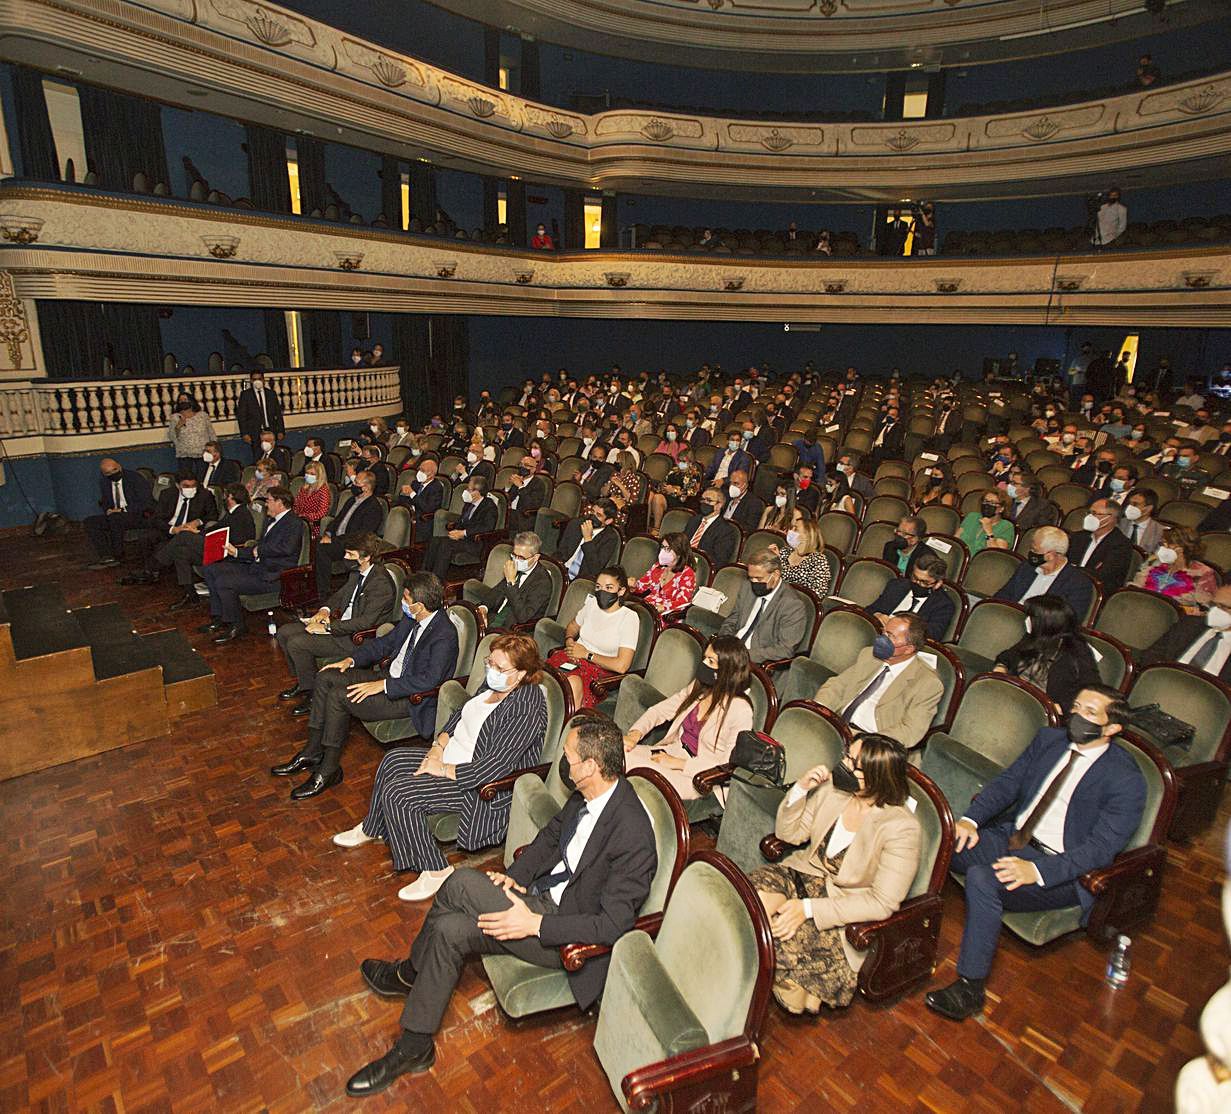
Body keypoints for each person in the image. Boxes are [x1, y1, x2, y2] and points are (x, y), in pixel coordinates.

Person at [342, 715, 655, 1096]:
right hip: (538, 899)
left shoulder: (633, 833)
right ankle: (415, 1045)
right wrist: (518, 875)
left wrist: (534, 925)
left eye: (569, 756)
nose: (563, 760)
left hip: (562, 934)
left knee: (459, 882)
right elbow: (552, 836)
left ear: (591, 766)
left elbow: (612, 925)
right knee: (448, 930)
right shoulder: (586, 796)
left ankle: (410, 973)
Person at [924, 686, 1145, 1022]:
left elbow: (1099, 851)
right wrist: (970, 820)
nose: (1078, 717)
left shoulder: (1126, 779)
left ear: (1112, 728)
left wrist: (1037, 872)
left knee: (985, 879)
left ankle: (970, 987)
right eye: (1076, 707)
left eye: (1090, 713)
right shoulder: (1049, 740)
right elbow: (1008, 783)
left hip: (1060, 867)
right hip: (1012, 839)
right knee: (941, 840)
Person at [335, 634, 549, 901]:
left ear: (521, 674)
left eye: (499, 667)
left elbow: (496, 766)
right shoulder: (495, 684)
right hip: (452, 755)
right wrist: (438, 746)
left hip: (476, 781)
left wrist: (443, 769)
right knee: (392, 760)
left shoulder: (526, 706)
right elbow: (462, 712)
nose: (491, 670)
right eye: (489, 663)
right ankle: (373, 826)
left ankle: (436, 869)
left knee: (399, 793)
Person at [751, 733, 921, 1013]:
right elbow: (788, 834)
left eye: (853, 763)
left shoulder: (902, 828)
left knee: (772, 939)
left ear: (878, 778)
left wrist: (806, 909)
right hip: (801, 872)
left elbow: (883, 903)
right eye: (846, 755)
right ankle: (791, 986)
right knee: (749, 908)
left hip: (840, 906)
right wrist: (800, 791)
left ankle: (801, 988)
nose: (843, 765)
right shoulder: (834, 790)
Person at [271, 572, 458, 800]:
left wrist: (383, 685)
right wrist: (352, 660)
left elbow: (429, 680)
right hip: (388, 676)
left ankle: (329, 770)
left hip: (408, 698)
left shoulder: (444, 634)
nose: (403, 603)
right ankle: (311, 751)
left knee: (339, 697)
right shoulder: (413, 618)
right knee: (327, 676)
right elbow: (384, 644)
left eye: (406, 599)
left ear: (419, 605)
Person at [274, 534, 396, 714]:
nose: (345, 558)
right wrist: (325, 610)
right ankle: (304, 682)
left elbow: (365, 622)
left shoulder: (380, 583)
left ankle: (314, 694)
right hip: (340, 626)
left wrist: (327, 627)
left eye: (350, 554)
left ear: (366, 557)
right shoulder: (358, 572)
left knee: (297, 643)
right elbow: (340, 595)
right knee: (284, 632)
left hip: (354, 638)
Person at [623, 636, 753, 802]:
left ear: (727, 670)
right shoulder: (701, 687)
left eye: (711, 661)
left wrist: (678, 763)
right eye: (705, 658)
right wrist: (635, 734)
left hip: (701, 778)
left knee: (632, 769)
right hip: (673, 752)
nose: (704, 664)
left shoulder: (740, 710)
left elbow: (726, 765)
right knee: (617, 753)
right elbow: (662, 710)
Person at [814, 614, 943, 757]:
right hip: (839, 727)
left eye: (890, 636)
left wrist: (866, 743)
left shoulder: (927, 683)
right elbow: (837, 685)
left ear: (909, 649)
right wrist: (819, 709)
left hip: (873, 747)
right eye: (883, 632)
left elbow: (910, 731)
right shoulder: (869, 655)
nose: (882, 639)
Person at [199, 486, 304, 643]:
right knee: (211, 568)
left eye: (268, 501)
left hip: (273, 576)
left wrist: (259, 550)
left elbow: (286, 548)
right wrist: (237, 552)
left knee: (224, 581)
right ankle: (219, 617)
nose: (266, 504)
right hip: (257, 567)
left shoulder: (294, 523)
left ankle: (236, 625)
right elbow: (257, 548)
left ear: (280, 503)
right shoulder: (270, 520)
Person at [546, 567, 639, 709]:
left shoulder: (629, 617)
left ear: (621, 591)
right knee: (542, 676)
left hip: (598, 671)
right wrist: (569, 640)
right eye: (598, 587)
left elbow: (622, 666)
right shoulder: (592, 603)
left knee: (569, 686)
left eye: (609, 587)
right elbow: (572, 626)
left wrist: (586, 654)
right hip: (572, 657)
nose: (602, 592)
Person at [993, 595, 1101, 713]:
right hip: (1013, 695)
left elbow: (1091, 689)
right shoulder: (1034, 637)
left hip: (1041, 709)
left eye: (1032, 617)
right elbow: (1008, 656)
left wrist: (1062, 707)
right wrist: (1001, 667)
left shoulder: (1077, 650)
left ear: (1047, 623)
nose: (1027, 620)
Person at [162, 483, 256, 609]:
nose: (223, 497)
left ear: (230, 497)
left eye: (225, 494)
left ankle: (158, 563)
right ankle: (191, 595)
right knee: (181, 552)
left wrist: (199, 534)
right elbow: (217, 528)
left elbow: (234, 538)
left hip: (226, 551)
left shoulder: (241, 514)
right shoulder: (234, 512)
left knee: (184, 535)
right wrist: (198, 533)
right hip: (218, 545)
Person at [123, 471, 218, 585]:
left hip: (190, 531)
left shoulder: (205, 495)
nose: (191, 489)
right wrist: (173, 529)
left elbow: (213, 515)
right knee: (146, 537)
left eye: (193, 486)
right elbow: (157, 518)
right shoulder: (167, 494)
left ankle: (151, 569)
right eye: (186, 486)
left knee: (180, 540)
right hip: (168, 528)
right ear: (178, 485)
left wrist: (197, 521)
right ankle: (152, 571)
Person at [718, 550, 810, 666]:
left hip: (756, 660)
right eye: (751, 578)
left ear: (776, 575)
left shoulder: (792, 605)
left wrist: (743, 655)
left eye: (759, 579)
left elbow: (785, 649)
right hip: (732, 650)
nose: (754, 582)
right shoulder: (747, 586)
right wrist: (724, 643)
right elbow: (732, 620)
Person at [993, 526, 1094, 620]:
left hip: (1040, 630)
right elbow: (1004, 594)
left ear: (1051, 555)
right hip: (1008, 620)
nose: (1031, 552)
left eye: (1035, 550)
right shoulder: (1027, 567)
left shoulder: (1079, 583)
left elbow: (1068, 621)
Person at [465, 531, 555, 632]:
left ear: (535, 558)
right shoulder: (515, 567)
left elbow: (523, 617)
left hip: (514, 631)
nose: (516, 560)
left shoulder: (542, 582)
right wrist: (483, 608)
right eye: (514, 555)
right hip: (496, 618)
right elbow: (496, 592)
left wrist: (511, 584)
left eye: (521, 557)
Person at [1141, 583, 1231, 682]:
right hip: (1160, 684)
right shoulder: (1188, 624)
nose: (1215, 610)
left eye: (1223, 607)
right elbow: (1151, 655)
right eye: (1213, 604)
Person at [315, 469, 384, 597]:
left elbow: (361, 535)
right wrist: (328, 533)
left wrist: (334, 541)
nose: (353, 485)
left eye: (357, 483)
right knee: (315, 541)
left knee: (321, 549)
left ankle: (323, 592)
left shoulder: (373, 507)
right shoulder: (352, 500)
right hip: (337, 539)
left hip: (352, 545)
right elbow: (337, 520)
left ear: (367, 488)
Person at [867, 550, 954, 641]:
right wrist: (877, 615)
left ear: (938, 583)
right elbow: (870, 609)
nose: (917, 583)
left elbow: (933, 634)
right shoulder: (896, 586)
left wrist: (900, 626)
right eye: (915, 578)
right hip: (877, 635)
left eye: (924, 582)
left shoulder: (943, 605)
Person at [421, 477, 498, 580]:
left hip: (476, 542)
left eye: (469, 489)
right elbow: (462, 521)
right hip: (462, 540)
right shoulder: (468, 504)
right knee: (434, 540)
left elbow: (487, 527)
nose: (466, 491)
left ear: (477, 492)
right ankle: (423, 575)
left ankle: (436, 580)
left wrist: (464, 533)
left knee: (446, 545)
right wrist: (456, 531)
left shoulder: (489, 506)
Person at [84, 458, 153, 570]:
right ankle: (106, 555)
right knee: (90, 522)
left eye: (115, 470)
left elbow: (146, 502)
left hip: (137, 514)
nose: (113, 474)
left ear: (120, 467)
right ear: (104, 474)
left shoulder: (135, 478)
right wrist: (107, 509)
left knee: (115, 518)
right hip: (115, 515)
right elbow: (105, 501)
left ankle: (118, 554)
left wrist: (122, 510)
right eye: (108, 473)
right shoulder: (105, 482)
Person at [1131, 526, 1217, 613]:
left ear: (1182, 549)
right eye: (1162, 544)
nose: (1163, 548)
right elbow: (1134, 589)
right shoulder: (1154, 563)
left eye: (1168, 545)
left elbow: (1205, 610)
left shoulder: (1202, 573)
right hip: (1141, 610)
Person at [1067, 498, 1134, 592]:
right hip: (1068, 584)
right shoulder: (1078, 537)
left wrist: (1073, 570)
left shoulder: (1121, 545)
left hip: (1094, 590)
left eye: (1094, 513)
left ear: (1111, 518)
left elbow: (1104, 576)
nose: (1089, 517)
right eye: (1089, 513)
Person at [768, 511, 832, 597]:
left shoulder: (818, 560)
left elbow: (818, 593)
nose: (790, 531)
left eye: (795, 529)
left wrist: (779, 563)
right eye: (791, 528)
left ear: (807, 535)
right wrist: (772, 559)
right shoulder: (785, 551)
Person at [631, 531, 697, 614]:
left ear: (679, 551)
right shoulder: (658, 567)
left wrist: (664, 607)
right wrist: (633, 585)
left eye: (668, 549)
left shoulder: (687, 573)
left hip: (666, 615)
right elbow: (641, 587)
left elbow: (683, 601)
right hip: (647, 609)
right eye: (662, 547)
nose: (663, 551)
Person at [684, 488, 739, 569]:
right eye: (702, 500)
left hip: (700, 568)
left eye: (709, 500)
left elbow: (719, 561)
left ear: (719, 505)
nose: (704, 503)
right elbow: (681, 542)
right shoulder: (694, 520)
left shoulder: (726, 530)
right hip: (680, 562)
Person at [236, 371, 284, 461]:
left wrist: (281, 430)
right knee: (258, 457)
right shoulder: (246, 395)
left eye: (259, 379)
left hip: (271, 430)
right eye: (254, 379)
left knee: (273, 457)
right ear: (251, 381)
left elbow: (278, 413)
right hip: (255, 432)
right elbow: (241, 416)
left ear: (263, 380)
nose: (257, 381)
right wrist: (245, 433)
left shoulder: (271, 394)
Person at [958, 489, 1014, 555]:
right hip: (960, 557)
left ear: (1001, 508)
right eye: (985, 501)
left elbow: (997, 554)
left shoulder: (1006, 526)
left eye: (992, 503)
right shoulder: (972, 516)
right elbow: (956, 539)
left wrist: (989, 532)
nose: (987, 505)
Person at [167, 397, 215, 473]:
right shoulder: (175, 418)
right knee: (186, 477)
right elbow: (171, 437)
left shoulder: (202, 415)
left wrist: (214, 448)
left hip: (203, 452)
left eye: (185, 400)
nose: (183, 402)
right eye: (180, 400)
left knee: (204, 476)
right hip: (184, 454)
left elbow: (211, 433)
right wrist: (178, 426)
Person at [293, 460, 332, 540]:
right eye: (307, 473)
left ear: (319, 476)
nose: (308, 476)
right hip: (298, 522)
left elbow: (322, 513)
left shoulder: (323, 491)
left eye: (312, 474)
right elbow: (296, 505)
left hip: (312, 526)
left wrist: (305, 516)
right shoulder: (304, 488)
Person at [1120, 488, 1163, 555]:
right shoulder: (1119, 524)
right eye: (1129, 503)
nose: (1130, 507)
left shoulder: (1159, 531)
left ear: (1148, 509)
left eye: (1135, 504)